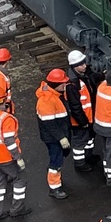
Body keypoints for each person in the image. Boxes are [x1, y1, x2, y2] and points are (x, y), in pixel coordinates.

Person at [0, 91, 29, 221]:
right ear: (5, 102)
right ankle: (17, 209)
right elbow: (9, 141)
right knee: (20, 179)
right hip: (6, 158)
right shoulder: (6, 119)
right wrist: (18, 157)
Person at [34, 66, 75, 200]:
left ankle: (54, 178)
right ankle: (54, 188)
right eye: (63, 83)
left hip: (57, 135)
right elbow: (50, 125)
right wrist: (62, 138)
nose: (65, 84)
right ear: (56, 84)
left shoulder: (53, 95)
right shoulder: (46, 101)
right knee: (56, 162)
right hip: (53, 138)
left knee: (57, 158)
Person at [58, 49, 96, 168]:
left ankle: (88, 155)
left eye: (84, 63)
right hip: (80, 121)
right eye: (80, 64)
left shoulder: (81, 76)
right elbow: (75, 107)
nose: (84, 65)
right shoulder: (72, 84)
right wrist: (83, 122)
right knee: (80, 142)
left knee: (89, 138)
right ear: (74, 66)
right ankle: (80, 163)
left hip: (88, 117)